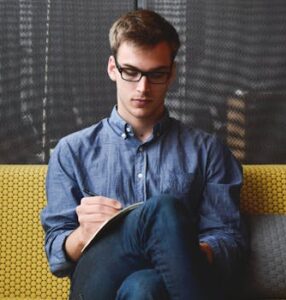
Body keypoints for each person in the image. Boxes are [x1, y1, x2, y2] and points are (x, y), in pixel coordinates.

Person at [41, 9, 248, 300]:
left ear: (172, 73)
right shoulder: (72, 150)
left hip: (163, 286)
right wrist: (83, 234)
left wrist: (179, 250)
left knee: (144, 287)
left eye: (156, 74)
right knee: (162, 211)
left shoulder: (208, 151)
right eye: (131, 72)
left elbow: (230, 243)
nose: (142, 87)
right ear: (113, 68)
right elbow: (56, 255)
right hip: (97, 286)